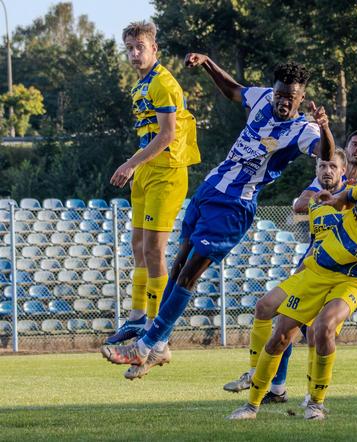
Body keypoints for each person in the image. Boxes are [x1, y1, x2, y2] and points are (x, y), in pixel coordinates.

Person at [100, 54, 334, 380]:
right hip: (210, 189)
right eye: (279, 94)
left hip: (235, 205)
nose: (282, 101)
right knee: (179, 263)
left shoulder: (303, 129)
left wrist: (325, 129)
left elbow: (326, 156)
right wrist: (208, 63)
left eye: (289, 98)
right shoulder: (264, 97)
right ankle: (160, 344)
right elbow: (234, 90)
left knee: (189, 274)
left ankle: (144, 345)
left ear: (301, 98)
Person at [228, 153, 357, 420]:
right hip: (320, 267)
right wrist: (333, 200)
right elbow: (347, 198)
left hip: (356, 279)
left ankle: (315, 403)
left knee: (324, 326)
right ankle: (252, 406)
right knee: (281, 336)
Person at [223, 130, 357, 401]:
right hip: (312, 263)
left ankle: (312, 397)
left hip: (345, 273)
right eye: (354, 144)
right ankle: (274, 386)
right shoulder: (327, 177)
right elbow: (300, 204)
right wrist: (320, 196)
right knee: (280, 320)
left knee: (317, 332)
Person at [105, 21, 200, 345]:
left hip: (167, 173)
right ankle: (136, 318)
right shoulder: (139, 87)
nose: (134, 54)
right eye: (129, 48)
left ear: (153, 49)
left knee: (155, 250)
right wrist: (137, 166)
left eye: (139, 47)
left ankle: (155, 326)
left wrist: (130, 163)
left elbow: (168, 134)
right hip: (147, 171)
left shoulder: (163, 83)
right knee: (138, 247)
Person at [292, 130, 357, 214]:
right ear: (346, 150)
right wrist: (332, 200)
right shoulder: (329, 177)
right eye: (354, 144)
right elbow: (299, 206)